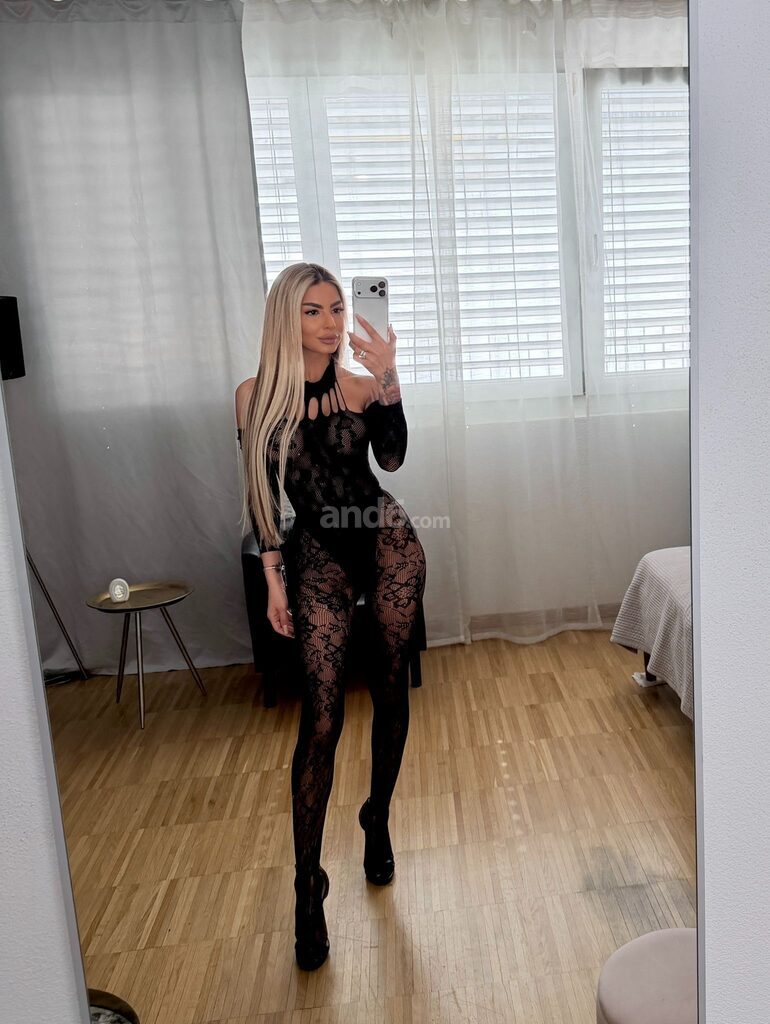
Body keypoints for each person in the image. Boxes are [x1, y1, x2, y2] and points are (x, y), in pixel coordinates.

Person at [235, 262, 427, 971]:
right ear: (286, 318)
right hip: (317, 554)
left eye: (337, 309)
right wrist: (273, 581)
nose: (330, 323)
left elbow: (392, 459)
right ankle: (306, 885)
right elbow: (262, 495)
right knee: (321, 720)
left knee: (389, 689)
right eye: (313, 310)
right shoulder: (254, 396)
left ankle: (377, 816)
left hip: (387, 543)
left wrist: (389, 379)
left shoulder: (358, 385)